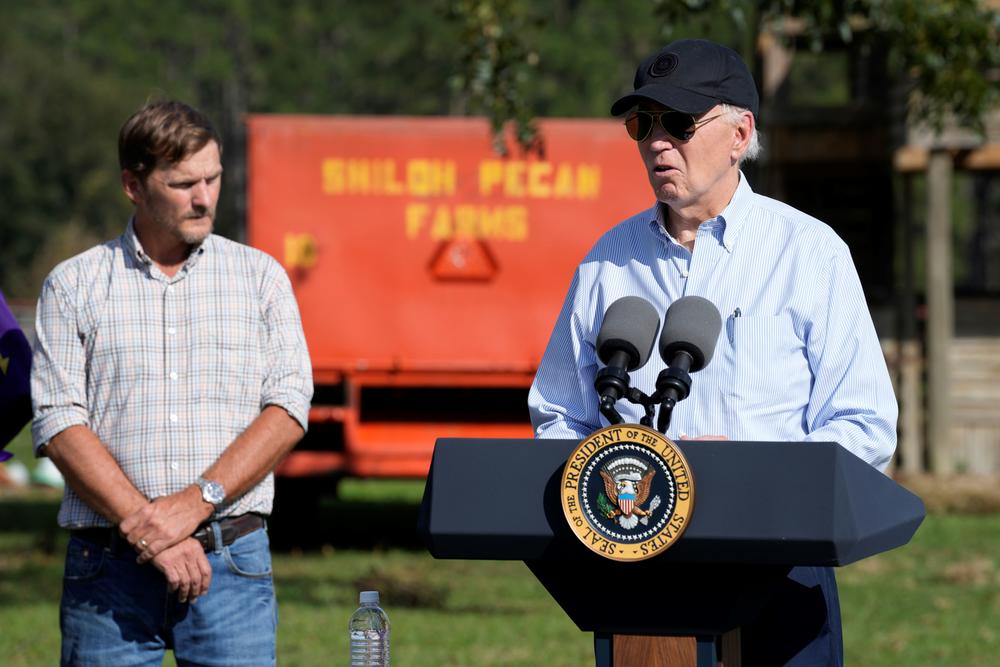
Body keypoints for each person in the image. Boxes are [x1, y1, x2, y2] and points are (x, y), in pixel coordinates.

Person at [528, 39, 897, 666]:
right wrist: (605, 498)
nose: (656, 142)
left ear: (739, 133)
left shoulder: (810, 253)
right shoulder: (607, 263)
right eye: (642, 124)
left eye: (678, 122)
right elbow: (559, 413)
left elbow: (864, 425)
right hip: (636, 573)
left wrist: (755, 489)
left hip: (782, 569)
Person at [31, 99, 313, 666]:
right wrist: (149, 528)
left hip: (232, 562)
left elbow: (287, 407)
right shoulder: (74, 285)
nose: (205, 196)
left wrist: (194, 504)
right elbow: (60, 422)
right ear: (133, 186)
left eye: (212, 177)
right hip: (107, 571)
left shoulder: (260, 279)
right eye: (183, 183)